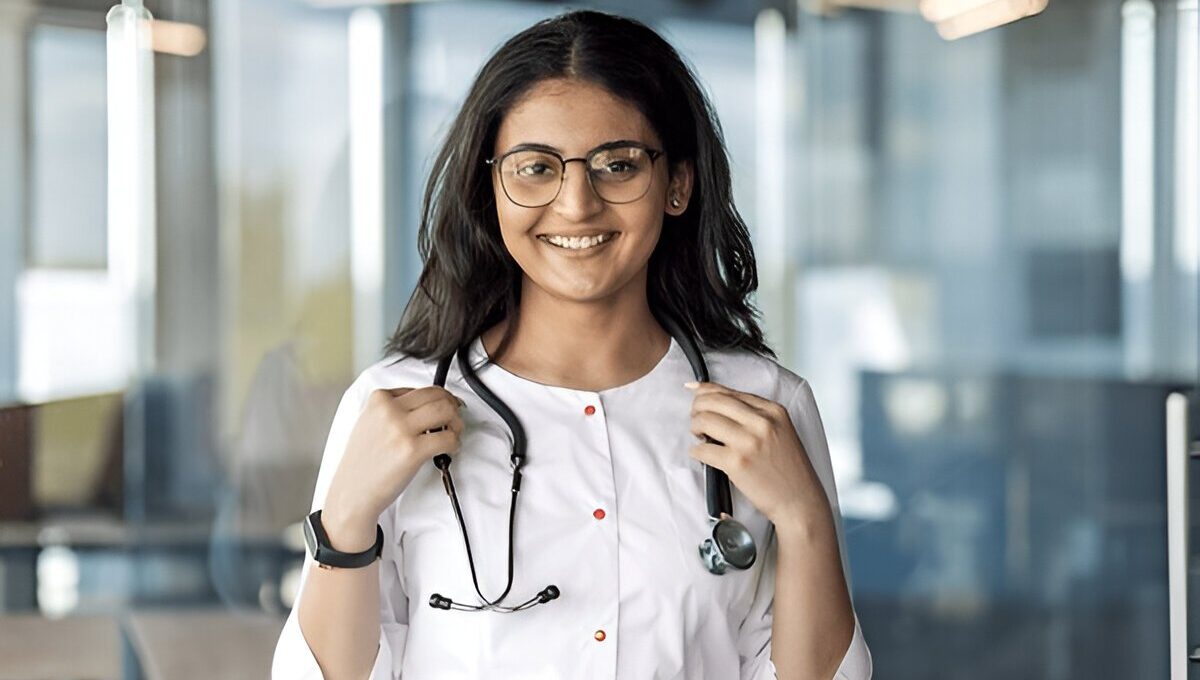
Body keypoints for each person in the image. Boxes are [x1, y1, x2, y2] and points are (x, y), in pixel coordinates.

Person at [272, 9, 872, 679]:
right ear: (489, 188)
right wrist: (346, 519)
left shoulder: (767, 407)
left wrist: (804, 517)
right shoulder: (389, 406)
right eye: (535, 168)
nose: (577, 204)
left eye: (617, 165)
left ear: (677, 184)